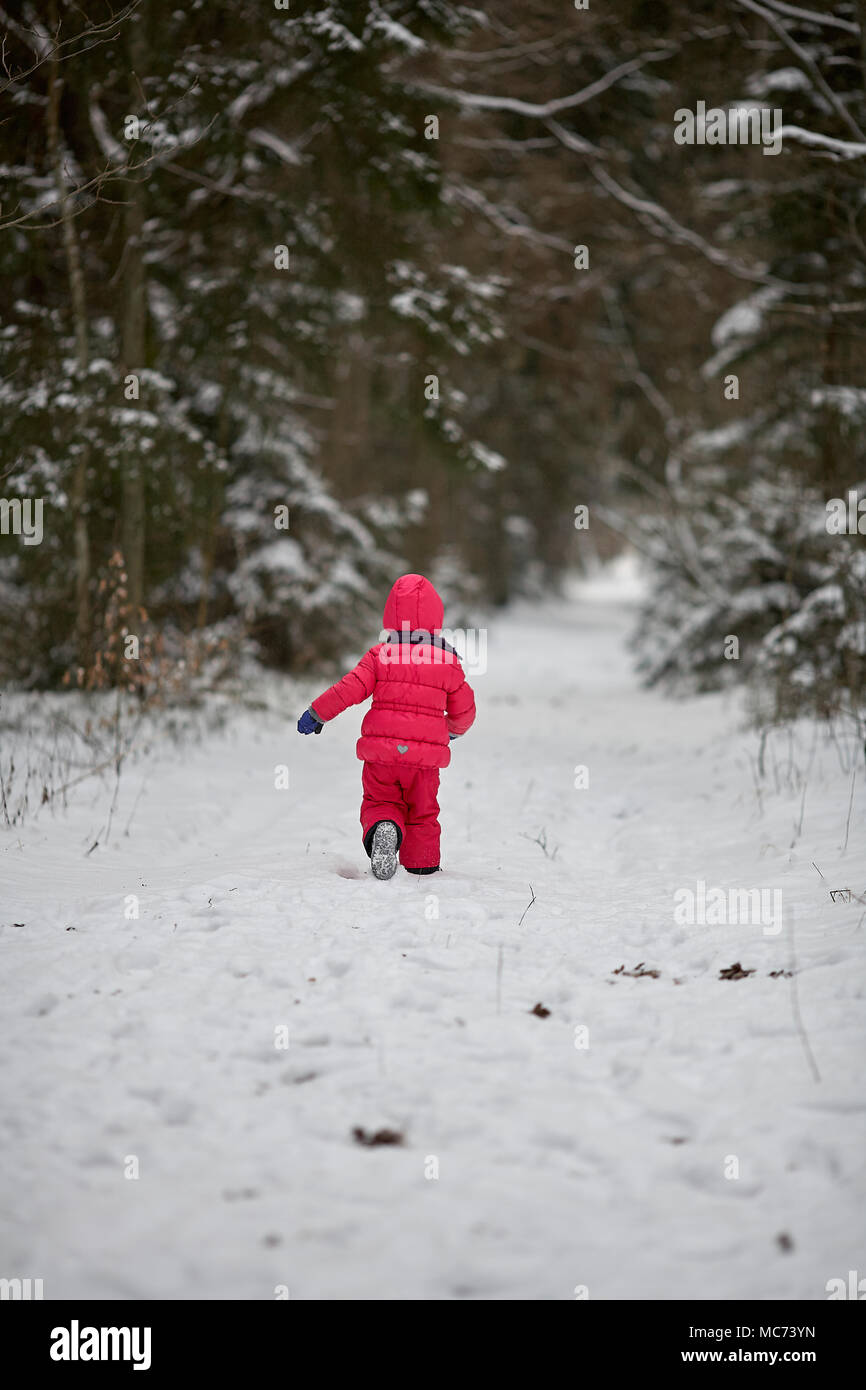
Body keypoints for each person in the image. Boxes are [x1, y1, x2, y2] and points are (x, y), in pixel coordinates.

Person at [297, 573, 475, 879]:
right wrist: (451, 730)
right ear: (436, 617)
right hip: (423, 762)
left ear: (390, 615)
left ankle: (384, 826)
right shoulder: (447, 662)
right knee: (423, 812)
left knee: (381, 801)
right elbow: (465, 709)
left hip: (382, 756)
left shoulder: (380, 656)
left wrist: (318, 713)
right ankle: (422, 867)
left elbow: (348, 689)